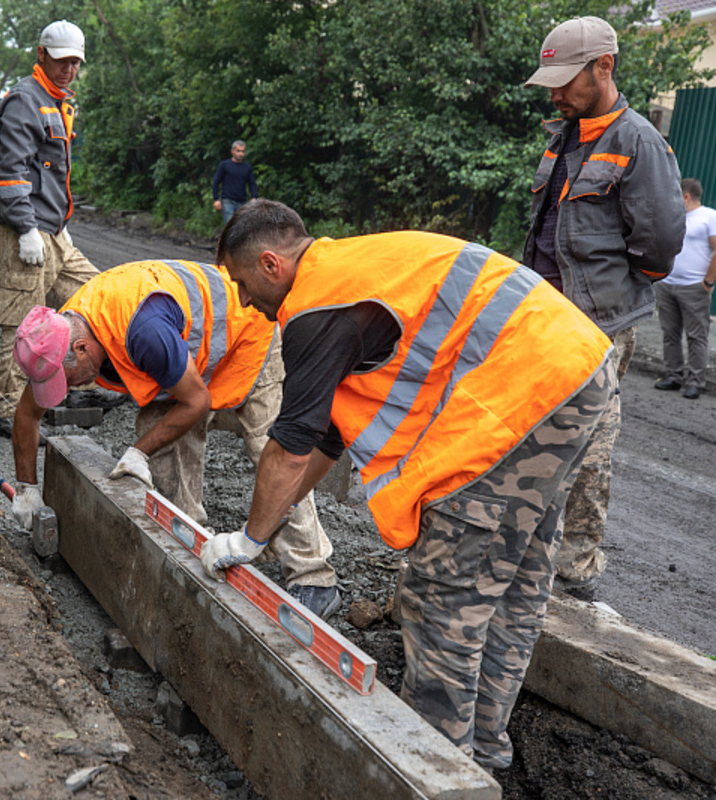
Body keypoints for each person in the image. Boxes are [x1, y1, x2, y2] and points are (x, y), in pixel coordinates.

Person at [210, 199, 614, 771]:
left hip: (524, 393)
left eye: (242, 282)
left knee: (441, 596)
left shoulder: (315, 309)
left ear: (271, 263)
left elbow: (289, 444)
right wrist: (275, 518)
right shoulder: (350, 269)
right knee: (515, 575)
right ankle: (487, 754)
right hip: (575, 370)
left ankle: (433, 766)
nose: (244, 299)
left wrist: (249, 540)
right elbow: (326, 438)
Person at [7, 260, 341, 618]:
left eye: (68, 380)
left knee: (274, 450)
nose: (68, 389)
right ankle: (192, 544)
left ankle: (313, 577)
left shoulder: (142, 331)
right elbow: (27, 415)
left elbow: (197, 401)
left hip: (246, 331)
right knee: (161, 437)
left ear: (82, 349)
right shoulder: (55, 337)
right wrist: (27, 488)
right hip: (186, 354)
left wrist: (138, 452)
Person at [522, 15, 684, 599]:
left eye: (566, 79)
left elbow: (661, 246)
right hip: (542, 318)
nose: (556, 92)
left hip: (595, 325)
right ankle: (526, 549)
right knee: (528, 435)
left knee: (588, 446)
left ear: (604, 67)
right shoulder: (563, 135)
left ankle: (576, 566)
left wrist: (610, 294)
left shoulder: (638, 141)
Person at [0, 20, 99, 439]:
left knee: (94, 293)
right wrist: (26, 228)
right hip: (27, 230)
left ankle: (83, 381)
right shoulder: (25, 100)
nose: (69, 69)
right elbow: (11, 172)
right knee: (22, 320)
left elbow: (49, 175)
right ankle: (8, 408)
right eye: (61, 61)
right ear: (41, 55)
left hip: (52, 229)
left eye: (75, 62)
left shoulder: (56, 102)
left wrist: (59, 227)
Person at [654, 178, 716, 399]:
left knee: (696, 336)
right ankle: (673, 376)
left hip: (694, 287)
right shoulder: (676, 217)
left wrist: (708, 282)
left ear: (686, 196)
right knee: (670, 333)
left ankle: (696, 382)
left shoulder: (709, 216)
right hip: (667, 284)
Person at [211, 141, 258, 226]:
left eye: (243, 151)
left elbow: (252, 184)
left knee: (241, 227)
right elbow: (216, 182)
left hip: (242, 201)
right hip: (228, 200)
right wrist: (216, 199)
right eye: (238, 151)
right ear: (232, 151)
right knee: (230, 226)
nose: (241, 154)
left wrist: (254, 197)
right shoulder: (224, 165)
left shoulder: (247, 168)